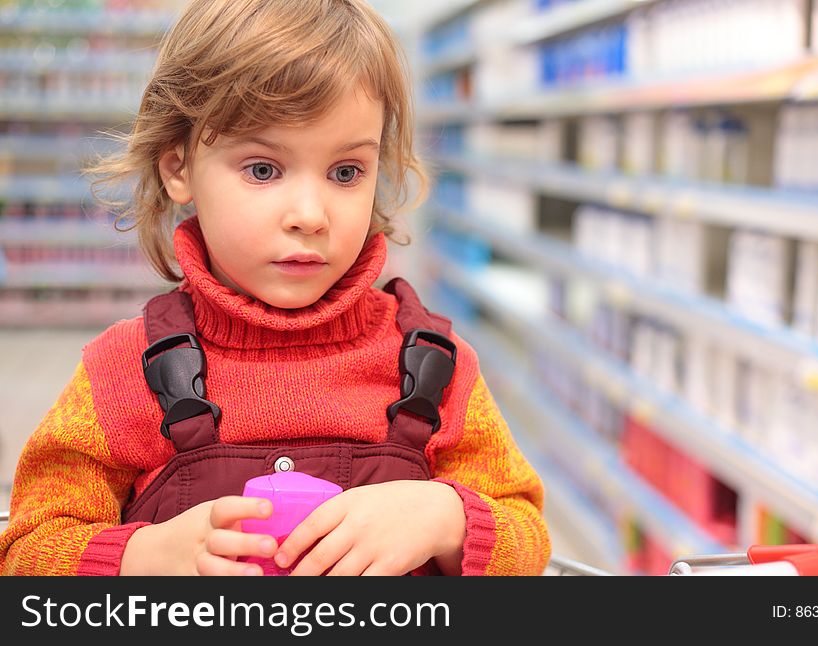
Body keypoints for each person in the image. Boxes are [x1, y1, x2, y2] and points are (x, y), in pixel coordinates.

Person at [0, 0, 550, 576]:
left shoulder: (437, 370)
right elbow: (28, 549)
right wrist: (145, 556)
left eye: (346, 172)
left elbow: (525, 533)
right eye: (263, 169)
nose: (310, 215)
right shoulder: (124, 373)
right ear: (179, 169)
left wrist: (446, 517)